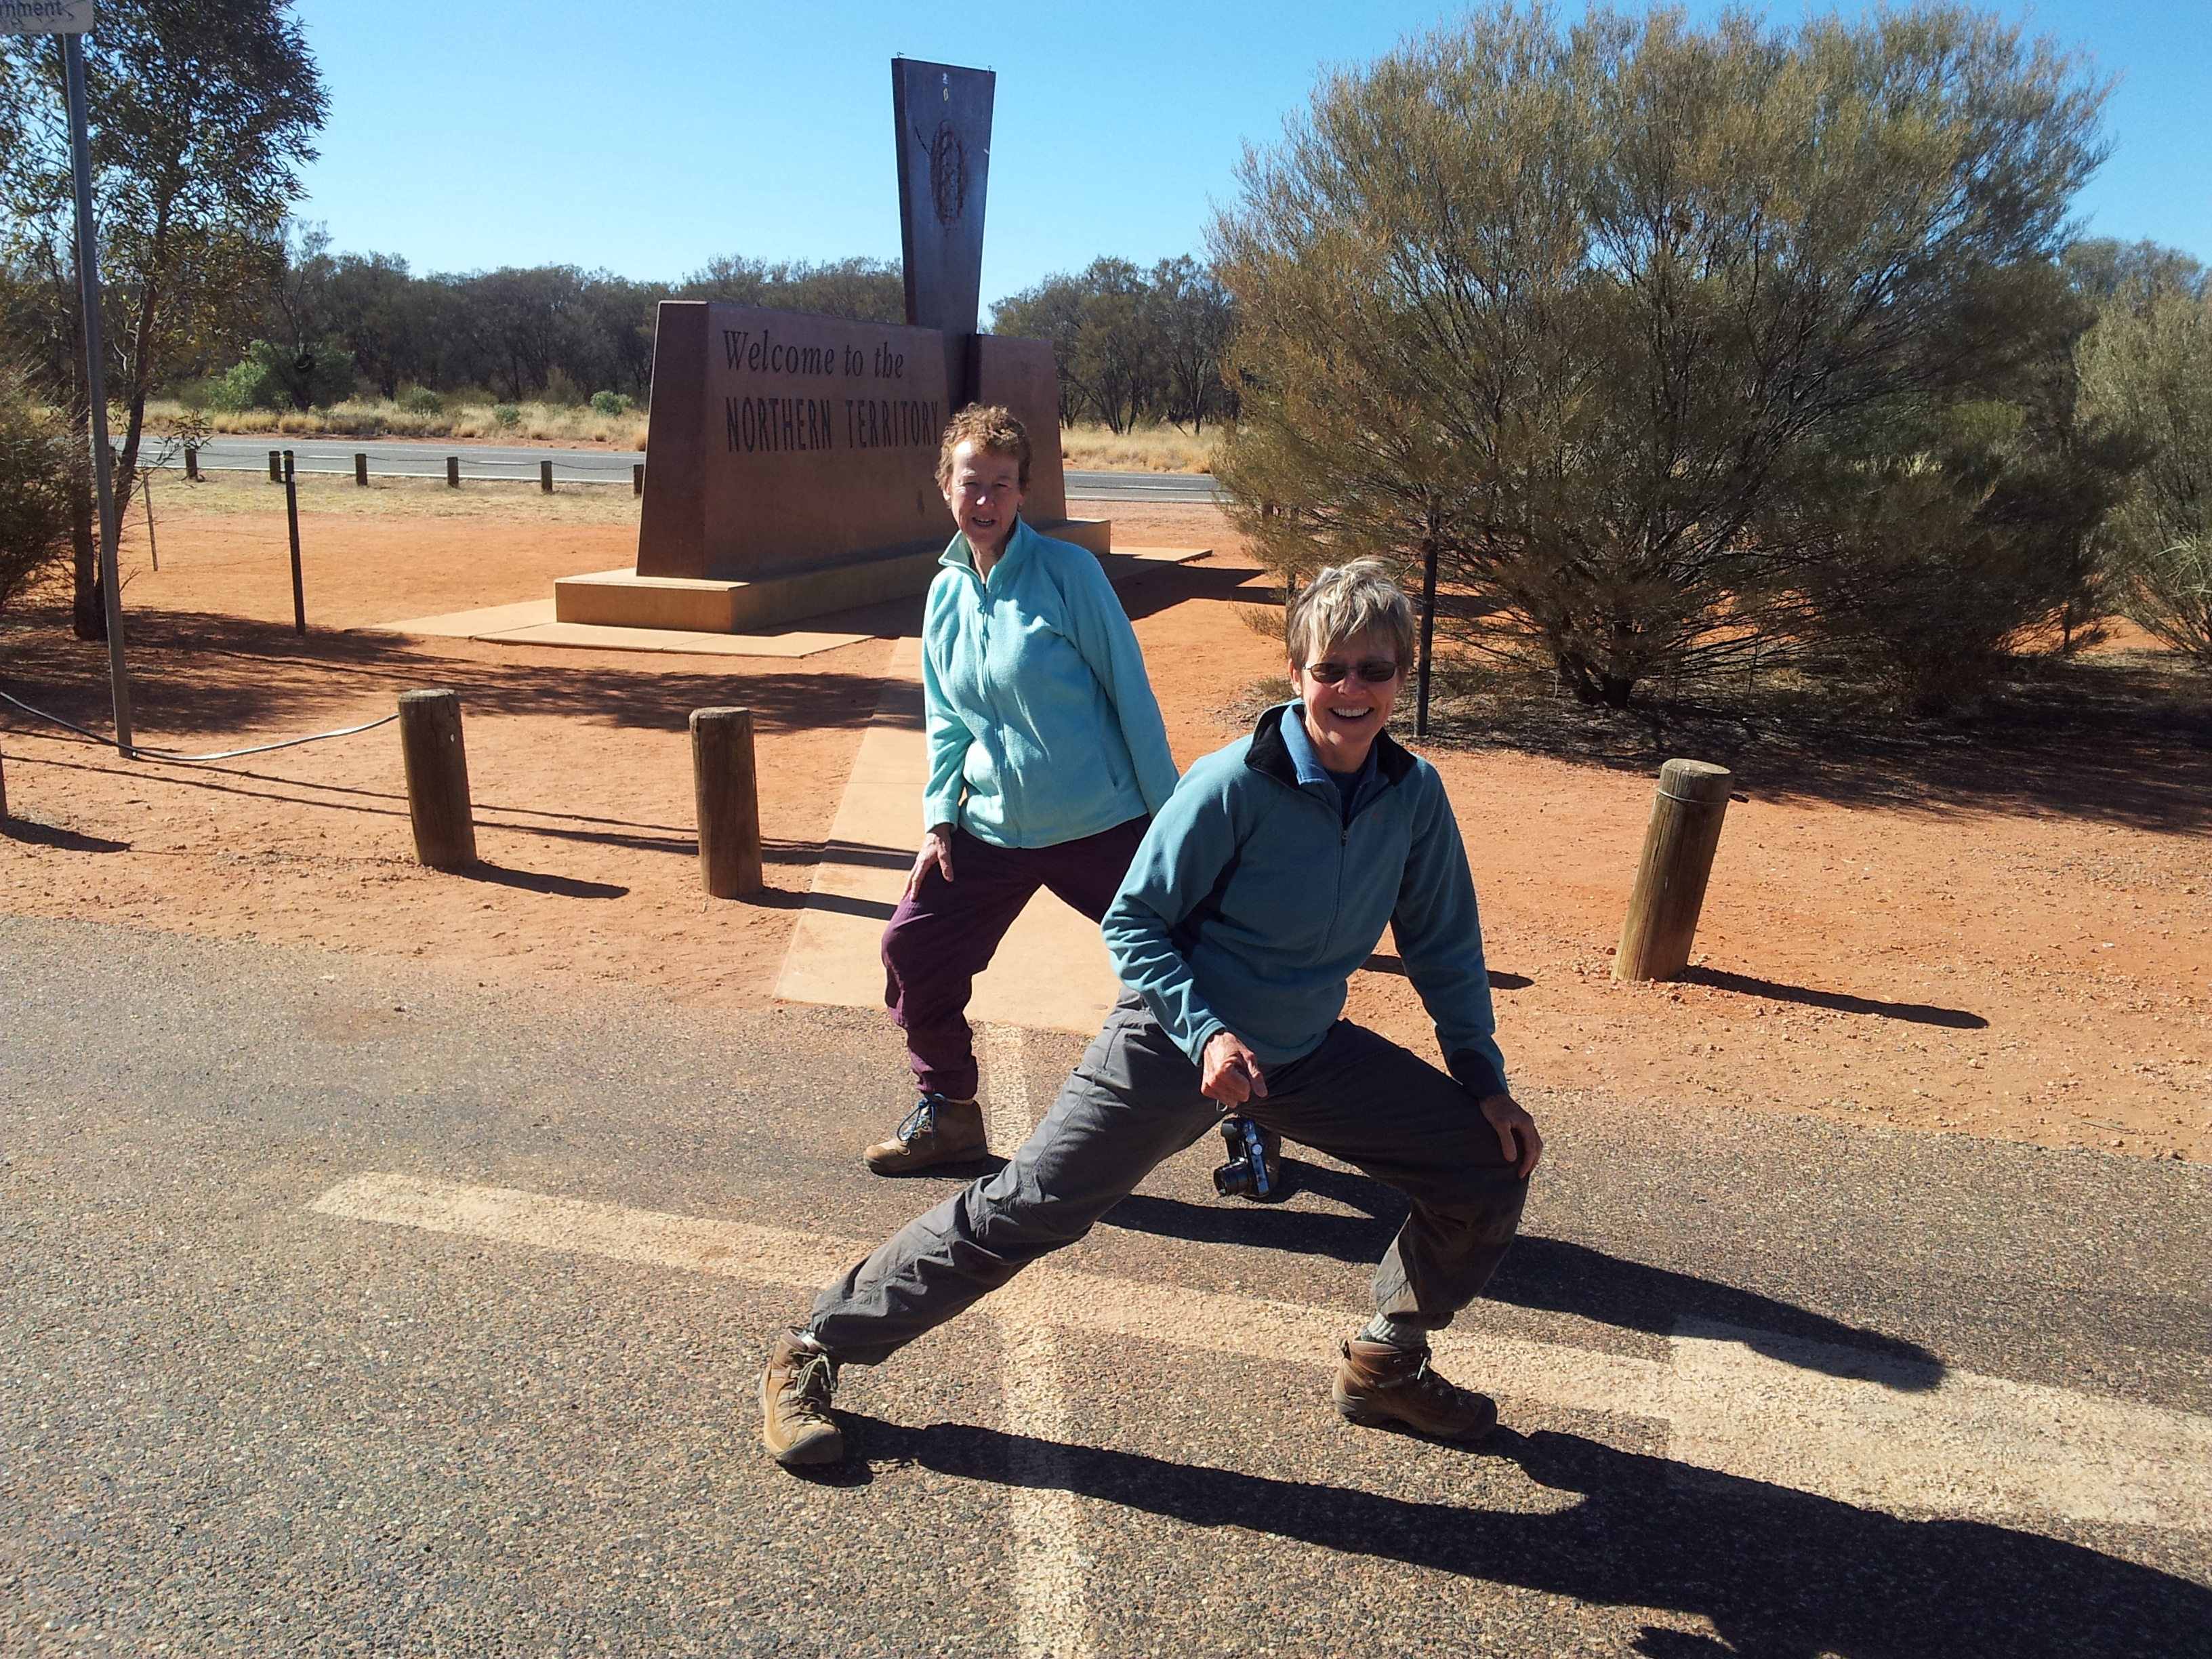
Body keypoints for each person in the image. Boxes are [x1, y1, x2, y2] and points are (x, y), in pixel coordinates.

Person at [762, 560, 1542, 1467]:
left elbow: (1443, 946)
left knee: (1487, 1163)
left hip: (1298, 1050)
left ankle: (1386, 1361)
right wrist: (1204, 1032)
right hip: (1176, 1039)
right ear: (1297, 674)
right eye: (1331, 668)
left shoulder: (1412, 795)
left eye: (1374, 669)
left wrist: (1485, 1085)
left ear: (1401, 679)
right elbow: (1134, 923)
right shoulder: (1232, 786)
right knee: (1027, 1210)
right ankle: (815, 1347)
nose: (1351, 689)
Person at [863, 405, 1180, 1176]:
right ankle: (950, 1116)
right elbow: (946, 717)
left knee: (1188, 958)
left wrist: (1173, 821)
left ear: (1022, 493)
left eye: (1002, 485)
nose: (986, 500)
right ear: (946, 488)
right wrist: (940, 818)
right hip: (994, 831)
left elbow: (1130, 694)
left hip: (1100, 822)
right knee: (914, 947)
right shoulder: (944, 594)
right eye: (972, 483)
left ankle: (1249, 1113)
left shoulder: (1070, 574)